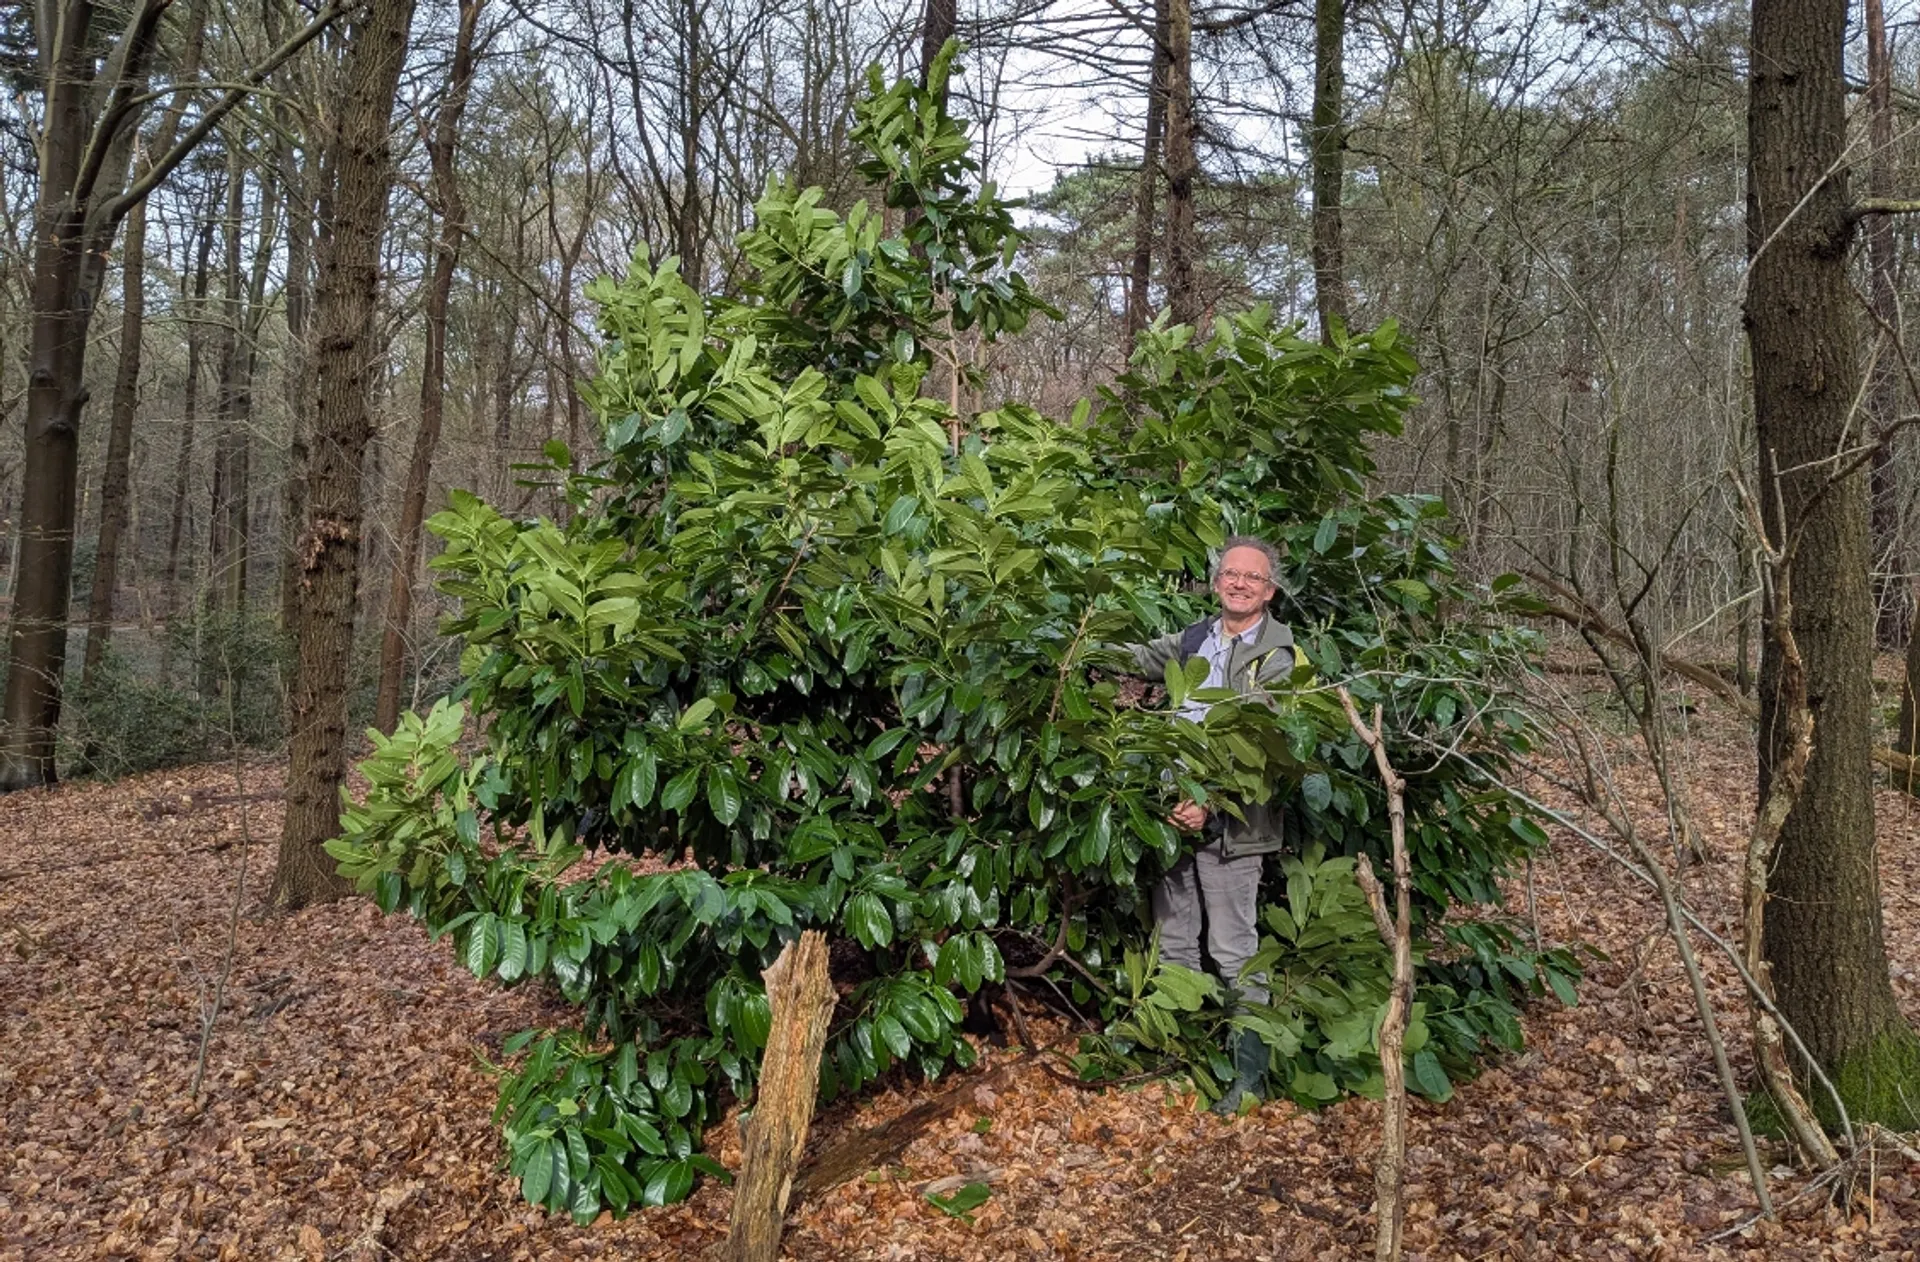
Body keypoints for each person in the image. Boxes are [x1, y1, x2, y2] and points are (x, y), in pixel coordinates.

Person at [1130, 535, 1295, 1113]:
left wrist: (1210, 801)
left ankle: (1250, 1077)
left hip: (1233, 826)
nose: (1240, 583)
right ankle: (1180, 1059)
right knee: (1174, 942)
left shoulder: (1278, 657)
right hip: (1173, 814)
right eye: (1231, 573)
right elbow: (1140, 657)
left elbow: (1260, 745)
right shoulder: (1195, 638)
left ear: (1270, 590)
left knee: (1233, 949)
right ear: (1216, 581)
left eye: (1253, 577)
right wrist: (1077, 641)